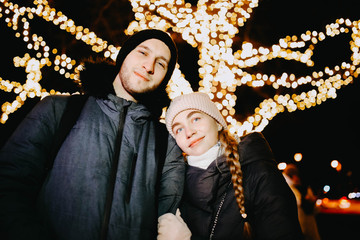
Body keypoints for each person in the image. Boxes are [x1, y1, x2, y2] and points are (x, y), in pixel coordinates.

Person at [0, 29, 185, 240]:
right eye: (143, 52)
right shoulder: (59, 110)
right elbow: (9, 187)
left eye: (161, 63)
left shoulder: (166, 143)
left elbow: (171, 217)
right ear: (124, 55)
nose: (149, 66)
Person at [157, 92, 303, 240]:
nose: (189, 132)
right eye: (179, 129)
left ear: (218, 123)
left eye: (196, 119)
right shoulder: (174, 188)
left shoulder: (256, 172)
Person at [283, 164, 321, 240]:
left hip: (295, 225)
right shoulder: (294, 188)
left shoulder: (289, 186)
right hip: (302, 223)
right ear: (293, 176)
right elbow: (300, 203)